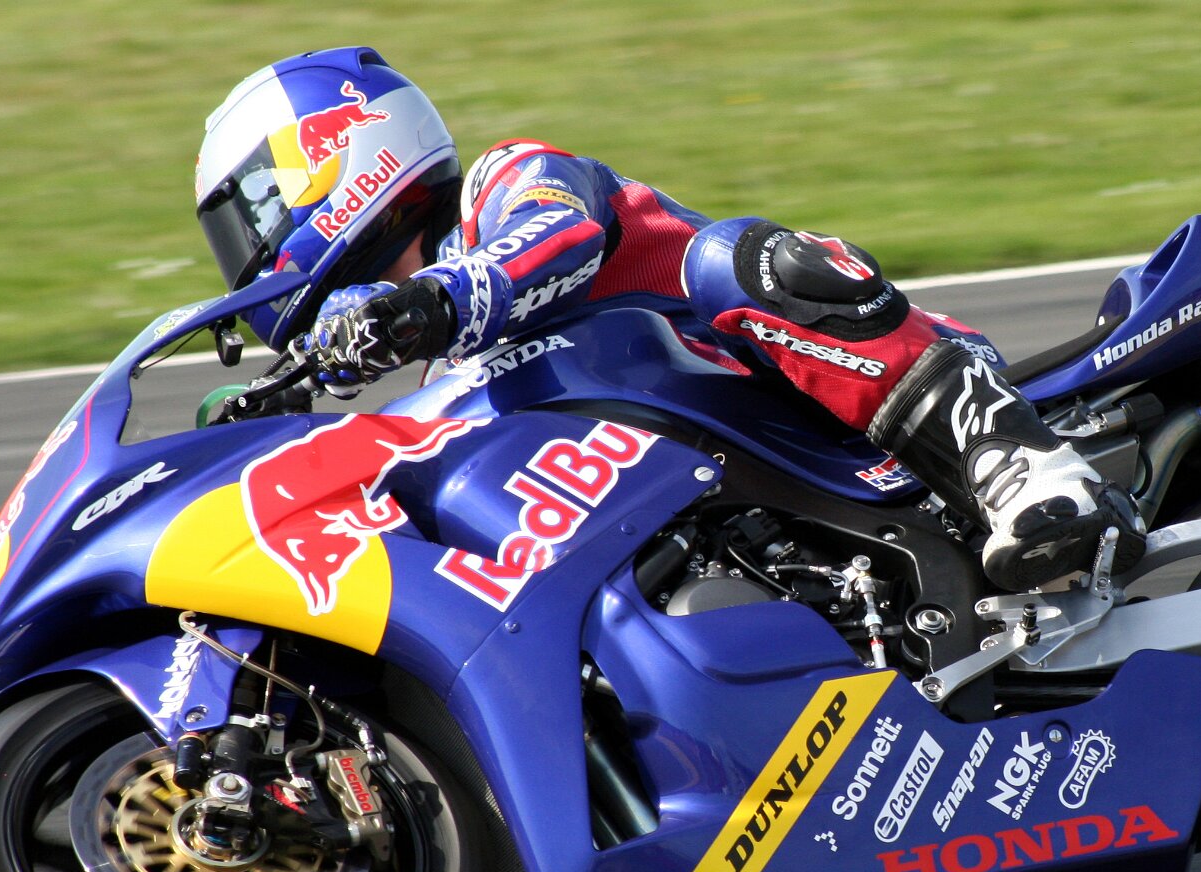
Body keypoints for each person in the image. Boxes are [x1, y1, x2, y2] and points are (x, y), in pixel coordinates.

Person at [194, 46, 1141, 590]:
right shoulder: (453, 377)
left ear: (335, 157)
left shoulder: (507, 181)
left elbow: (558, 235)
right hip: (742, 501)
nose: (247, 255)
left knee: (732, 259)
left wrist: (430, 302)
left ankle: (1024, 465)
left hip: (837, 406)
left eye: (253, 212)